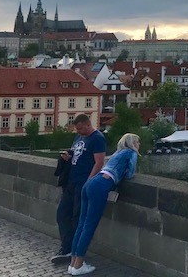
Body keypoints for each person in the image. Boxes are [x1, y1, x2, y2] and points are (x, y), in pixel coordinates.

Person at [69, 133, 140, 276]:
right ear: (132, 143)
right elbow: (131, 173)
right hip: (101, 186)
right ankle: (78, 266)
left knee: (81, 224)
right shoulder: (131, 153)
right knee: (89, 226)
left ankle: (72, 264)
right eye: (138, 142)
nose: (139, 145)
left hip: (90, 183)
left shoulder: (117, 153)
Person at [51, 114, 106, 264]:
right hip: (71, 182)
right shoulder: (79, 137)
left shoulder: (97, 138)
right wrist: (67, 156)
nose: (79, 131)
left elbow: (99, 162)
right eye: (77, 129)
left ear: (88, 124)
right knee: (62, 214)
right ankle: (66, 247)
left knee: (77, 217)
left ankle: (73, 251)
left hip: (83, 183)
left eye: (81, 128)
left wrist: (89, 182)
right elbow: (77, 153)